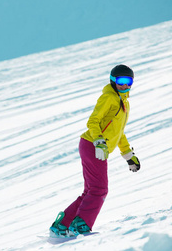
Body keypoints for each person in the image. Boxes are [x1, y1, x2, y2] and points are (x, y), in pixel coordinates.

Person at [50, 64, 141, 237]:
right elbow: (93, 121)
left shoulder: (124, 103)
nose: (125, 85)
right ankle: (80, 225)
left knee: (91, 190)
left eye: (129, 81)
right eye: (121, 81)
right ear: (113, 81)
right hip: (93, 144)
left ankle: (63, 225)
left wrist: (129, 156)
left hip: (95, 145)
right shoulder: (109, 98)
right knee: (99, 188)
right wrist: (99, 142)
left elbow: (118, 133)